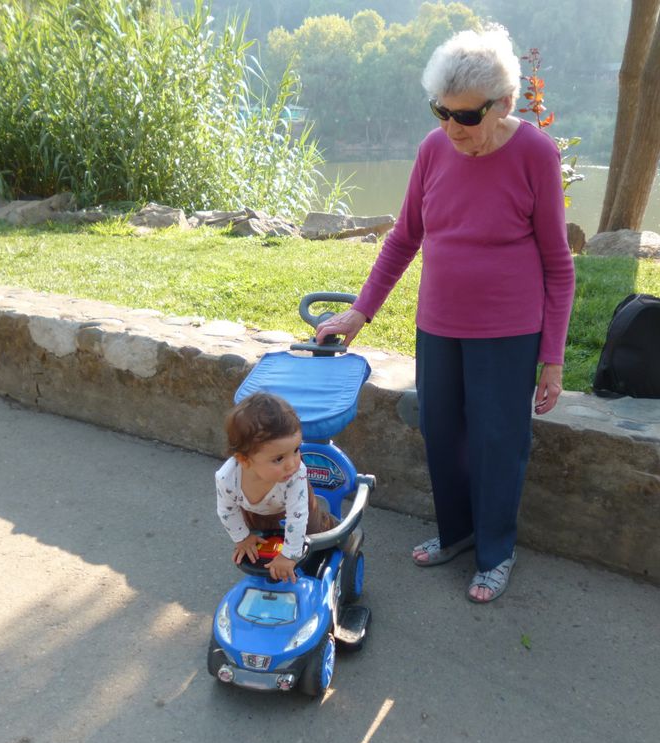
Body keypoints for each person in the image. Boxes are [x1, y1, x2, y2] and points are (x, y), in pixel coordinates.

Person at [315, 26, 575, 603]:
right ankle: (457, 534)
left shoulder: (535, 152)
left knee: (498, 440)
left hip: (509, 332)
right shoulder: (435, 149)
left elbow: (559, 265)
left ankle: (495, 551)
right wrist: (361, 312)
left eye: (467, 117)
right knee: (442, 431)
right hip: (438, 325)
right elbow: (404, 238)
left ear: (504, 104)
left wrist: (551, 360)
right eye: (442, 113)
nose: (453, 129)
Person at [215, 392, 336, 583]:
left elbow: (297, 518)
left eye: (296, 450)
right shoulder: (227, 478)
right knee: (262, 535)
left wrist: (288, 556)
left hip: (297, 508)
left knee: (312, 533)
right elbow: (227, 511)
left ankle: (333, 527)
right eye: (278, 458)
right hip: (257, 511)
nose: (292, 464)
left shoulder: (295, 474)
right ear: (244, 461)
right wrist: (242, 538)